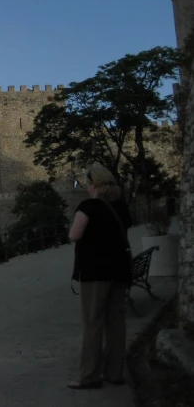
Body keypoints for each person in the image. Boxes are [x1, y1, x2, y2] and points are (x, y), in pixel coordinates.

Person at [67, 163, 133, 390]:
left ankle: (89, 375)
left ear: (94, 184)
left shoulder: (89, 206)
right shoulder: (121, 207)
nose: (86, 186)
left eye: (87, 183)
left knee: (93, 323)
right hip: (120, 270)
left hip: (96, 273)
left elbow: (74, 235)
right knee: (116, 323)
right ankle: (115, 373)